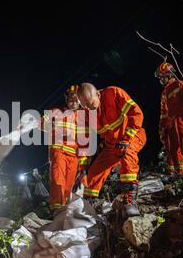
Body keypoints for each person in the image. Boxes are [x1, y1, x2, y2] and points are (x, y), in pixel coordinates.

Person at [75, 83, 146, 218]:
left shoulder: (113, 93)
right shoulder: (84, 114)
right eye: (85, 106)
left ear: (98, 94)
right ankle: (90, 203)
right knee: (95, 171)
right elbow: (83, 142)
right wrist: (82, 168)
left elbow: (136, 113)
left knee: (127, 155)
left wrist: (126, 139)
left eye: (91, 104)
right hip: (111, 145)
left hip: (132, 136)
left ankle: (130, 200)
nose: (89, 109)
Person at [41, 85, 89, 215]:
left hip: (73, 156)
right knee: (58, 180)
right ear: (66, 100)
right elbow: (41, 123)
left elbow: (84, 144)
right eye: (71, 100)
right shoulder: (55, 111)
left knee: (68, 185)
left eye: (76, 100)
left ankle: (64, 212)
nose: (74, 103)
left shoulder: (82, 119)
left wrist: (83, 167)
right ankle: (56, 210)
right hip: (59, 151)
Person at [155, 62, 183, 174]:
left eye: (162, 77)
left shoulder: (179, 84)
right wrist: (162, 127)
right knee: (173, 149)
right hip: (173, 123)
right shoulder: (165, 93)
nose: (161, 80)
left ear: (169, 74)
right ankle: (181, 173)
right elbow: (164, 112)